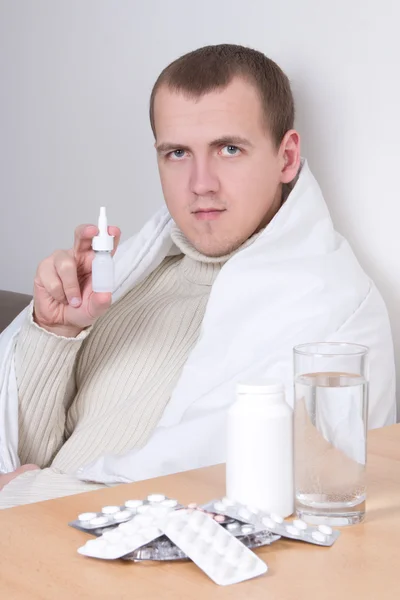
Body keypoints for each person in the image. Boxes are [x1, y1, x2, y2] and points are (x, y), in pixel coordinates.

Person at [0, 44, 395, 508]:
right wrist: (56, 333)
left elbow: (237, 498)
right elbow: (28, 453)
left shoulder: (333, 313)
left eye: (229, 149)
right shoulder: (129, 278)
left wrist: (27, 494)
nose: (200, 182)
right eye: (178, 153)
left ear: (286, 157)